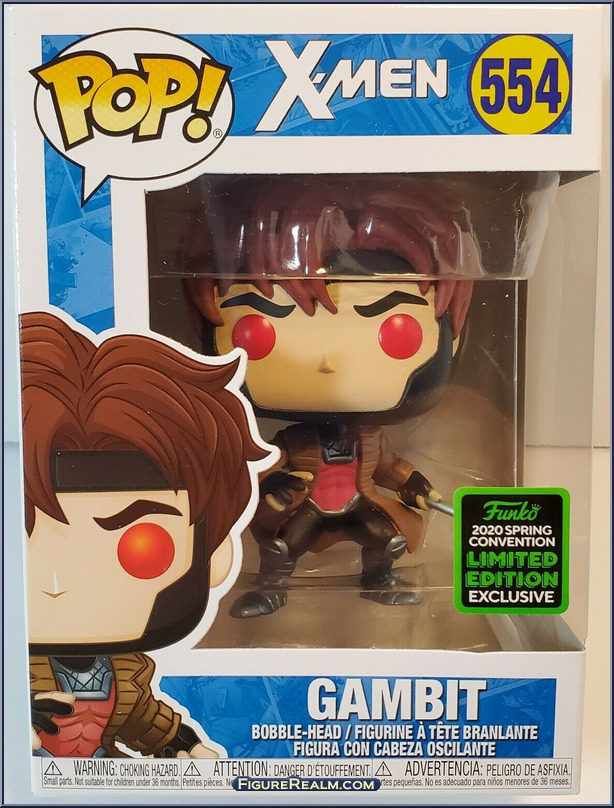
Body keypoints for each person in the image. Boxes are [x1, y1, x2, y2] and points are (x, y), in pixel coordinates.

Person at [183, 175, 479, 617]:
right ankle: (271, 589)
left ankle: (379, 580)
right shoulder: (296, 439)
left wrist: (417, 487)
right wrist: (272, 488)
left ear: (450, 336)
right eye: (260, 328)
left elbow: (391, 468)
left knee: (388, 539)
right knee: (284, 545)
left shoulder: (371, 440)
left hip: (359, 504)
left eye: (393, 331)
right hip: (309, 506)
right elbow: (265, 467)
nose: (327, 361)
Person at [22, 312, 268, 756]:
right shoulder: (16, 673)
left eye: (138, 544)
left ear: (214, 554)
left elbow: (145, 718)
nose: (56, 587)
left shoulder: (124, 675)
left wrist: (184, 746)